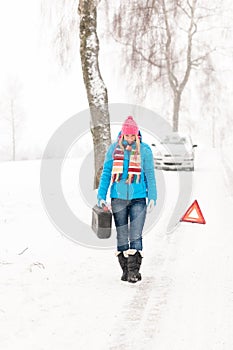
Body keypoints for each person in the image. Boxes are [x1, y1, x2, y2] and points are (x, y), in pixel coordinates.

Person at [97, 116, 157, 283]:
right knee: (122, 235)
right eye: (127, 136)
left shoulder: (145, 151)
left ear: (137, 135)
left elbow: (150, 175)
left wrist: (152, 196)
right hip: (118, 199)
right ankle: (125, 270)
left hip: (138, 198)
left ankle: (133, 272)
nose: (130, 139)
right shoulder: (113, 150)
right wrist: (101, 196)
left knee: (135, 235)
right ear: (122, 135)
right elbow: (106, 174)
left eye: (133, 136)